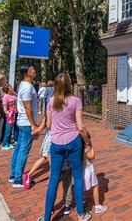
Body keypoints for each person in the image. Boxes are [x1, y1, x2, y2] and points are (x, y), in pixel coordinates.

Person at [37, 73, 91, 221]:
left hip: (56, 142)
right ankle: (81, 214)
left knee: (54, 178)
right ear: (69, 84)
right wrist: (87, 142)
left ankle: (47, 217)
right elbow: (81, 127)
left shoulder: (51, 101)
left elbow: (48, 125)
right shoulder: (76, 101)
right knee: (77, 175)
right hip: (73, 141)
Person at [9, 64, 39, 188]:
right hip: (26, 123)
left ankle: (13, 174)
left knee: (18, 148)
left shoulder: (22, 85)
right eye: (32, 69)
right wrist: (33, 124)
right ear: (28, 73)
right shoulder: (27, 87)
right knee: (23, 150)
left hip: (21, 122)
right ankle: (18, 179)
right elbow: (27, 107)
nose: (34, 70)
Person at [83, 132, 107, 214]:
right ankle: (97, 206)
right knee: (95, 186)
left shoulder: (76, 148)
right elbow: (92, 156)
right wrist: (91, 146)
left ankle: (80, 207)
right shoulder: (84, 150)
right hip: (88, 169)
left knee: (80, 188)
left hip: (79, 171)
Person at [1, 84, 17, 151]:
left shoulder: (15, 94)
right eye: (10, 88)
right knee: (8, 130)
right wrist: (9, 114)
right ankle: (4, 144)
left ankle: (9, 143)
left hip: (16, 113)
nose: (11, 88)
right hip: (10, 115)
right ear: (7, 90)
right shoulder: (5, 97)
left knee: (11, 131)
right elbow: (5, 109)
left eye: (11, 87)